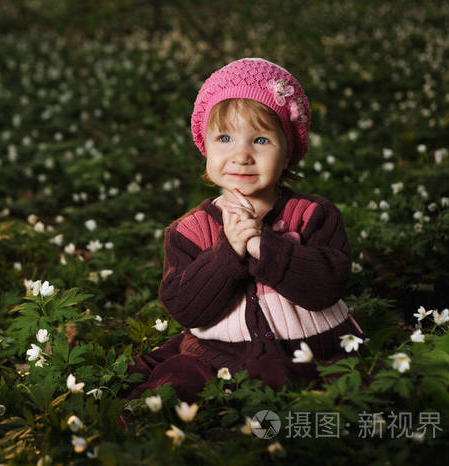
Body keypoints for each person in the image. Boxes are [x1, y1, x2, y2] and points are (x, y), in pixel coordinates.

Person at [124, 58, 365, 402]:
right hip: (218, 352)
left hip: (308, 349)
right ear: (205, 146)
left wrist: (262, 246)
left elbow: (326, 288)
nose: (241, 156)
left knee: (279, 376)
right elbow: (187, 309)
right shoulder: (189, 230)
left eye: (261, 141)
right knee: (177, 378)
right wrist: (228, 252)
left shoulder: (313, 216)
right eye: (225, 138)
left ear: (288, 153)